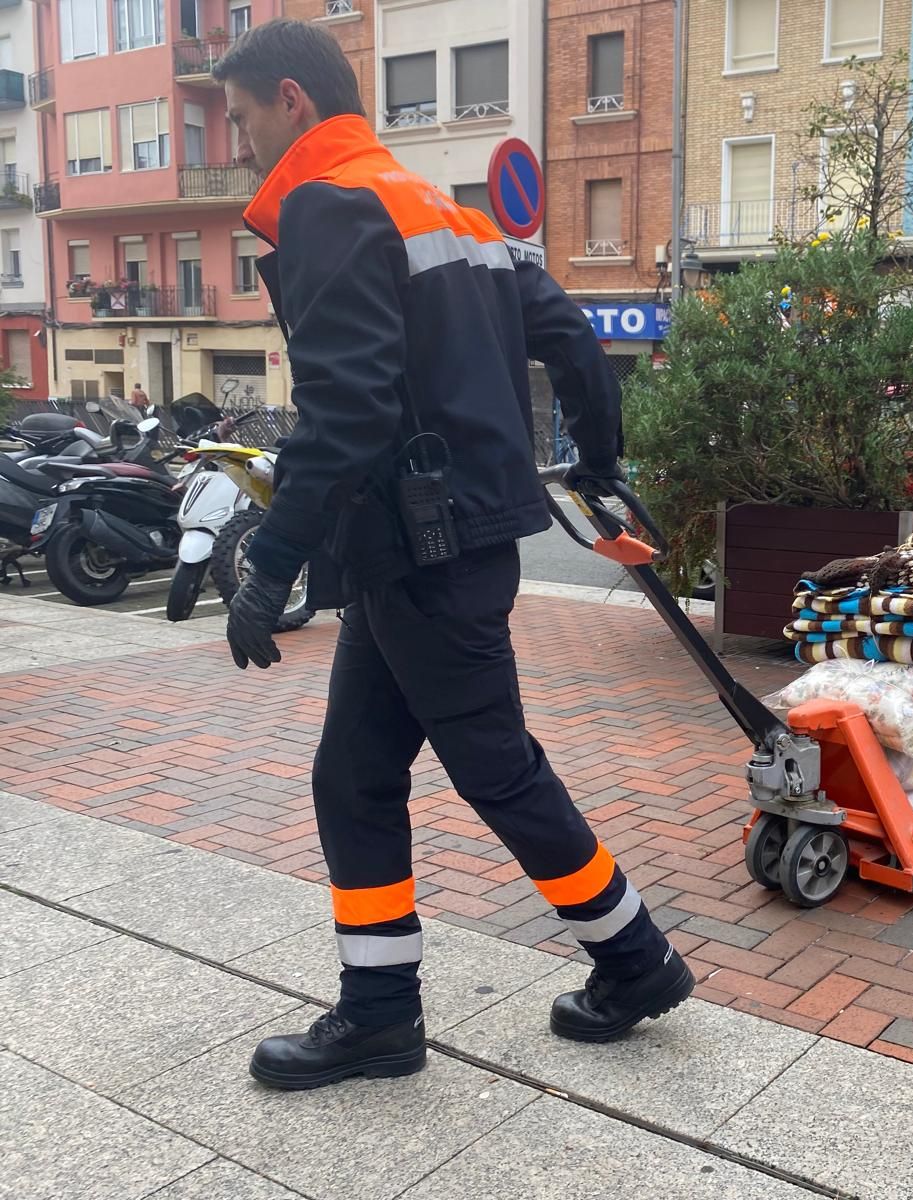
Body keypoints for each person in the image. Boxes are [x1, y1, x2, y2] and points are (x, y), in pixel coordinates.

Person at [212, 19, 690, 1091]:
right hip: (436, 552)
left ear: (290, 100)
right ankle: (381, 1013)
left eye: (240, 118)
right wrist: (595, 460)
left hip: (417, 552)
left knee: (496, 768)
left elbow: (345, 410)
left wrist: (270, 560)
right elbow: (573, 339)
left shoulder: (331, 207)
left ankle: (637, 959)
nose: (239, 143)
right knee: (355, 775)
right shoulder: (453, 213)